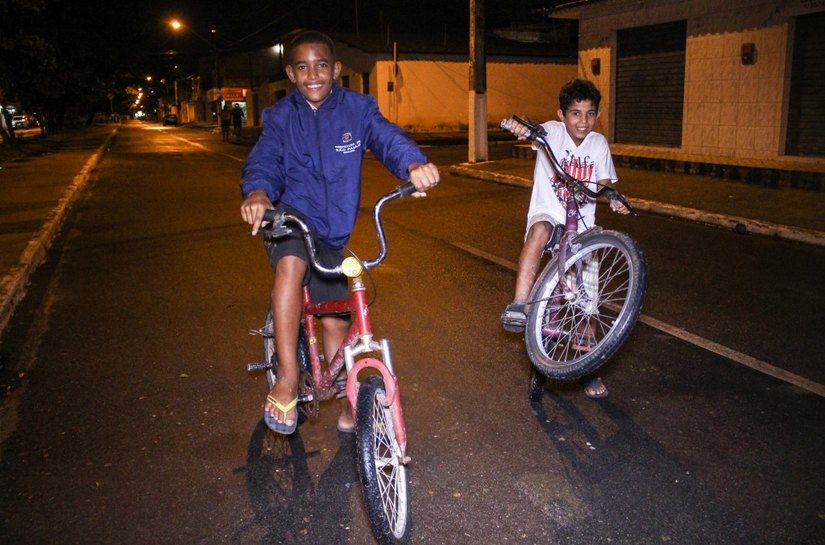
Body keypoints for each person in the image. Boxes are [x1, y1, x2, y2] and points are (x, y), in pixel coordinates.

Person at [240, 30, 440, 435]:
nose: (312, 74)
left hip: (332, 233)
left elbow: (387, 138)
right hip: (292, 220)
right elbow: (265, 161)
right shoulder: (281, 118)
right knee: (291, 265)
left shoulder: (358, 109)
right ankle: (289, 378)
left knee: (336, 323)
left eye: (320, 65)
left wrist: (413, 165)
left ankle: (352, 400)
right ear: (291, 74)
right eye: (302, 67)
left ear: (336, 69)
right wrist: (259, 193)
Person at [499, 78, 629, 399]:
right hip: (550, 214)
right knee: (539, 232)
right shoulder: (553, 134)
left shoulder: (598, 144)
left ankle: (584, 367)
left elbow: (602, 181)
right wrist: (518, 127)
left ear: (597, 116)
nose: (582, 121)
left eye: (589, 113)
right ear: (561, 114)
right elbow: (529, 130)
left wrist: (611, 196)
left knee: (588, 304)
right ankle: (519, 304)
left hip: (582, 225)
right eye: (575, 113)